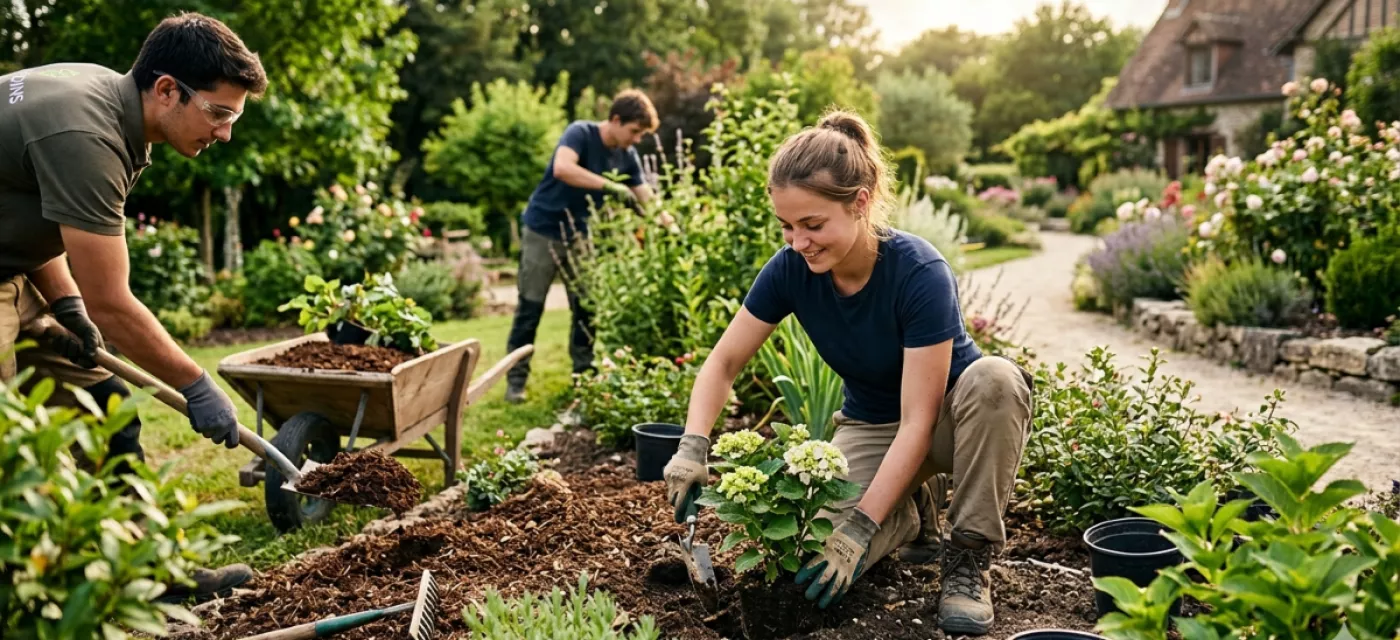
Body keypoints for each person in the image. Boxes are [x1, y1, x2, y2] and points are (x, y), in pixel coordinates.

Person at [662, 111, 1034, 635]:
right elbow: (723, 362)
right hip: (872, 427)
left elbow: (919, 422)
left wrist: (861, 526)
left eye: (813, 225)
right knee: (817, 555)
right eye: (787, 226)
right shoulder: (791, 268)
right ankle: (908, 514)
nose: (799, 242)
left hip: (953, 424)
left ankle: (969, 555)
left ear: (860, 203)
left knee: (996, 378)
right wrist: (692, 445)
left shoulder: (918, 272)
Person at [0, 12, 268, 601]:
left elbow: (27, 207)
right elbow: (114, 305)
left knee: (107, 407)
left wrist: (66, 304)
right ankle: (45, 596)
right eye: (219, 113)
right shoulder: (87, 135)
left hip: (15, 270)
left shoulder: (104, 100)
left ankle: (147, 570)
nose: (225, 133)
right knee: (14, 447)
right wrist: (196, 384)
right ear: (168, 89)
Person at [504, 90, 658, 403]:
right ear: (615, 120)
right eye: (634, 131)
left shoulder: (627, 156)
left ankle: (583, 378)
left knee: (587, 306)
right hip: (542, 229)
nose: (637, 139)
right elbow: (563, 168)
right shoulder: (581, 133)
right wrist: (611, 186)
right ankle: (516, 382)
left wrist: (672, 223)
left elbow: (646, 198)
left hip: (579, 234)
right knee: (530, 306)